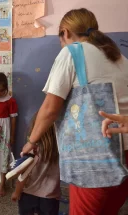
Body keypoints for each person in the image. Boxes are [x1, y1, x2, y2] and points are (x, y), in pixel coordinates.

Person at [20, 8, 128, 214]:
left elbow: (50, 109)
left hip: (95, 159)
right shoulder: (119, 57)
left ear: (65, 32)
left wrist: (31, 141)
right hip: (124, 155)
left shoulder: (73, 52)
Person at [11, 113, 60, 215]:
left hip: (28, 194)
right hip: (50, 196)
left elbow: (23, 175)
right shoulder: (59, 151)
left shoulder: (31, 150)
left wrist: (17, 192)